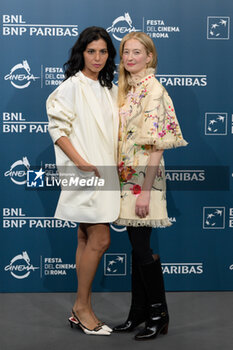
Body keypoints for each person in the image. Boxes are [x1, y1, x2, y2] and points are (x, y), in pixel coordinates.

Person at [113, 32, 188, 340]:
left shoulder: (154, 90)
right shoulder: (128, 90)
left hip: (144, 180)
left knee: (142, 248)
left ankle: (158, 314)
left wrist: (145, 191)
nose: (130, 57)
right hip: (124, 177)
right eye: (126, 52)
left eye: (137, 52)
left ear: (149, 57)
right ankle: (138, 313)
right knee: (136, 247)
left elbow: (157, 146)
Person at [46, 26, 120, 336]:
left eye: (103, 51)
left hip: (107, 174)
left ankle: (81, 308)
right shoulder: (71, 87)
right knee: (101, 239)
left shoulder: (110, 88)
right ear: (81, 53)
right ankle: (82, 307)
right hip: (86, 174)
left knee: (86, 238)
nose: (98, 57)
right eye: (92, 51)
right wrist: (81, 163)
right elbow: (58, 129)